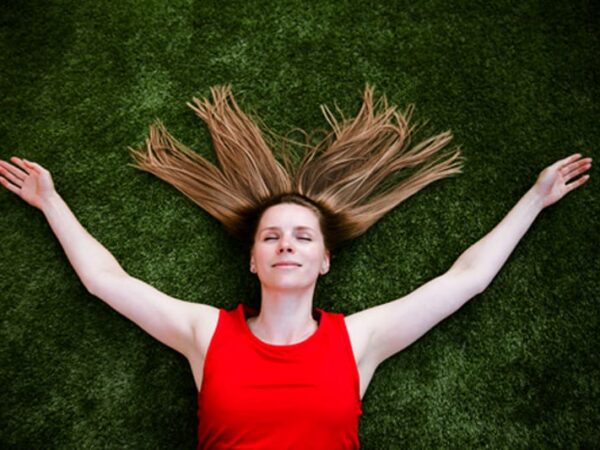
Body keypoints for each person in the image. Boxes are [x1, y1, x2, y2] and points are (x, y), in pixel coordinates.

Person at [0, 85, 591, 449]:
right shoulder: (205, 334)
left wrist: (534, 199)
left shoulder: (360, 339)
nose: (287, 245)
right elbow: (108, 282)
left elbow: (466, 281)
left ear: (325, 260)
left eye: (304, 236)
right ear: (253, 259)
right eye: (273, 236)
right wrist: (51, 200)